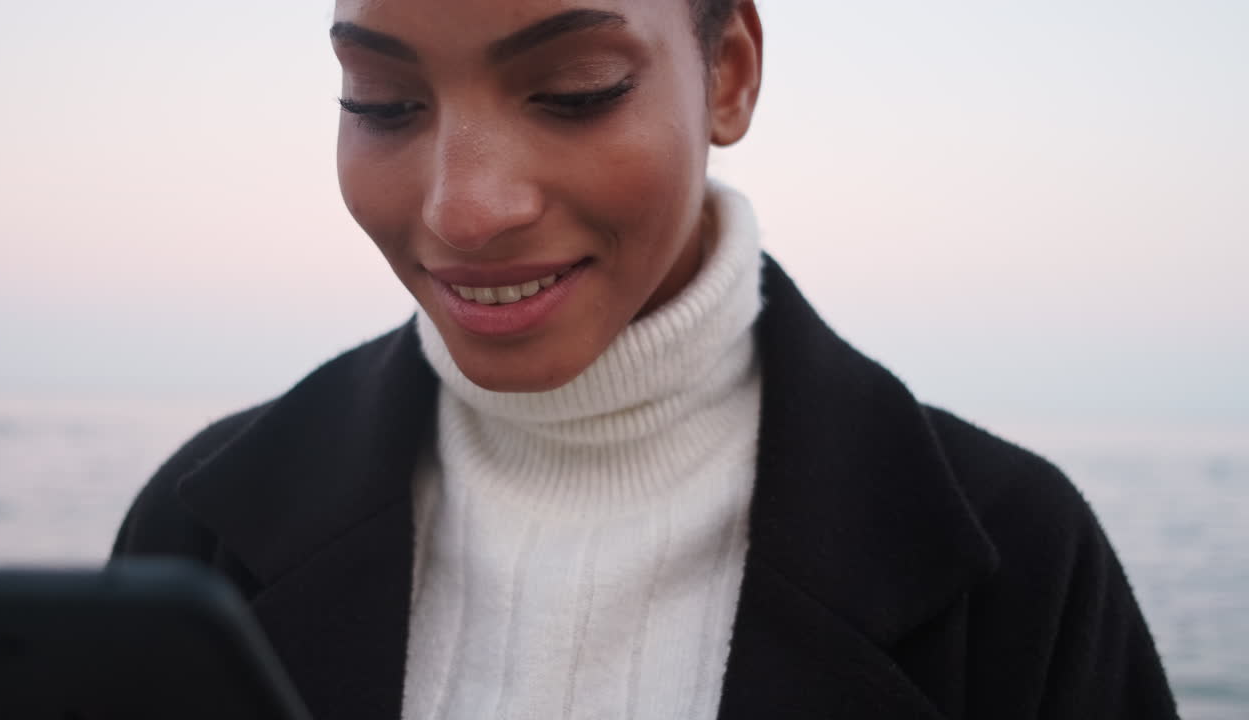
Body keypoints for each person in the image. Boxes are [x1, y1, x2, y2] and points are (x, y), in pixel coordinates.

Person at [113, 1, 1179, 718]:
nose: (464, 208)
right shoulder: (193, 534)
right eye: (381, 104)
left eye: (573, 91)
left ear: (728, 73)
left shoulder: (1018, 564)